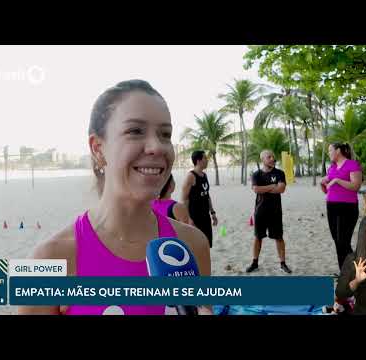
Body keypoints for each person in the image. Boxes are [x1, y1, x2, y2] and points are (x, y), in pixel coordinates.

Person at [18, 80, 211, 315]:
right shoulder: (48, 260)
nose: (157, 147)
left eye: (165, 134)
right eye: (135, 131)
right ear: (98, 148)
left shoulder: (191, 246)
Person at [246, 150, 292, 274]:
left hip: (275, 211)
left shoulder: (279, 173)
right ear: (263, 159)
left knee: (279, 237)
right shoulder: (256, 174)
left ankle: (283, 263)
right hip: (260, 211)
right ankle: (254, 262)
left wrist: (265, 189)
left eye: (273, 157)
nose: (272, 159)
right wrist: (272, 186)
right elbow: (256, 189)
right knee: (258, 237)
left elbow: (281, 189)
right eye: (269, 157)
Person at [321, 143, 362, 274]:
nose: (329, 153)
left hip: (348, 207)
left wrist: (337, 180)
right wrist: (323, 185)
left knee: (343, 241)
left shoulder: (352, 164)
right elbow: (328, 190)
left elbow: (356, 186)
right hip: (332, 206)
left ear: (338, 151)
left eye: (330, 150)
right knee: (337, 241)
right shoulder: (332, 167)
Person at [181, 150, 218, 248]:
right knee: (196, 247)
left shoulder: (204, 175)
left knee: (206, 245)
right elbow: (184, 199)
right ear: (198, 161)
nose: (207, 160)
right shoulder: (191, 176)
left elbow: (207, 195)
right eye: (205, 158)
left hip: (205, 216)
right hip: (195, 218)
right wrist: (189, 219)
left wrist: (213, 213)